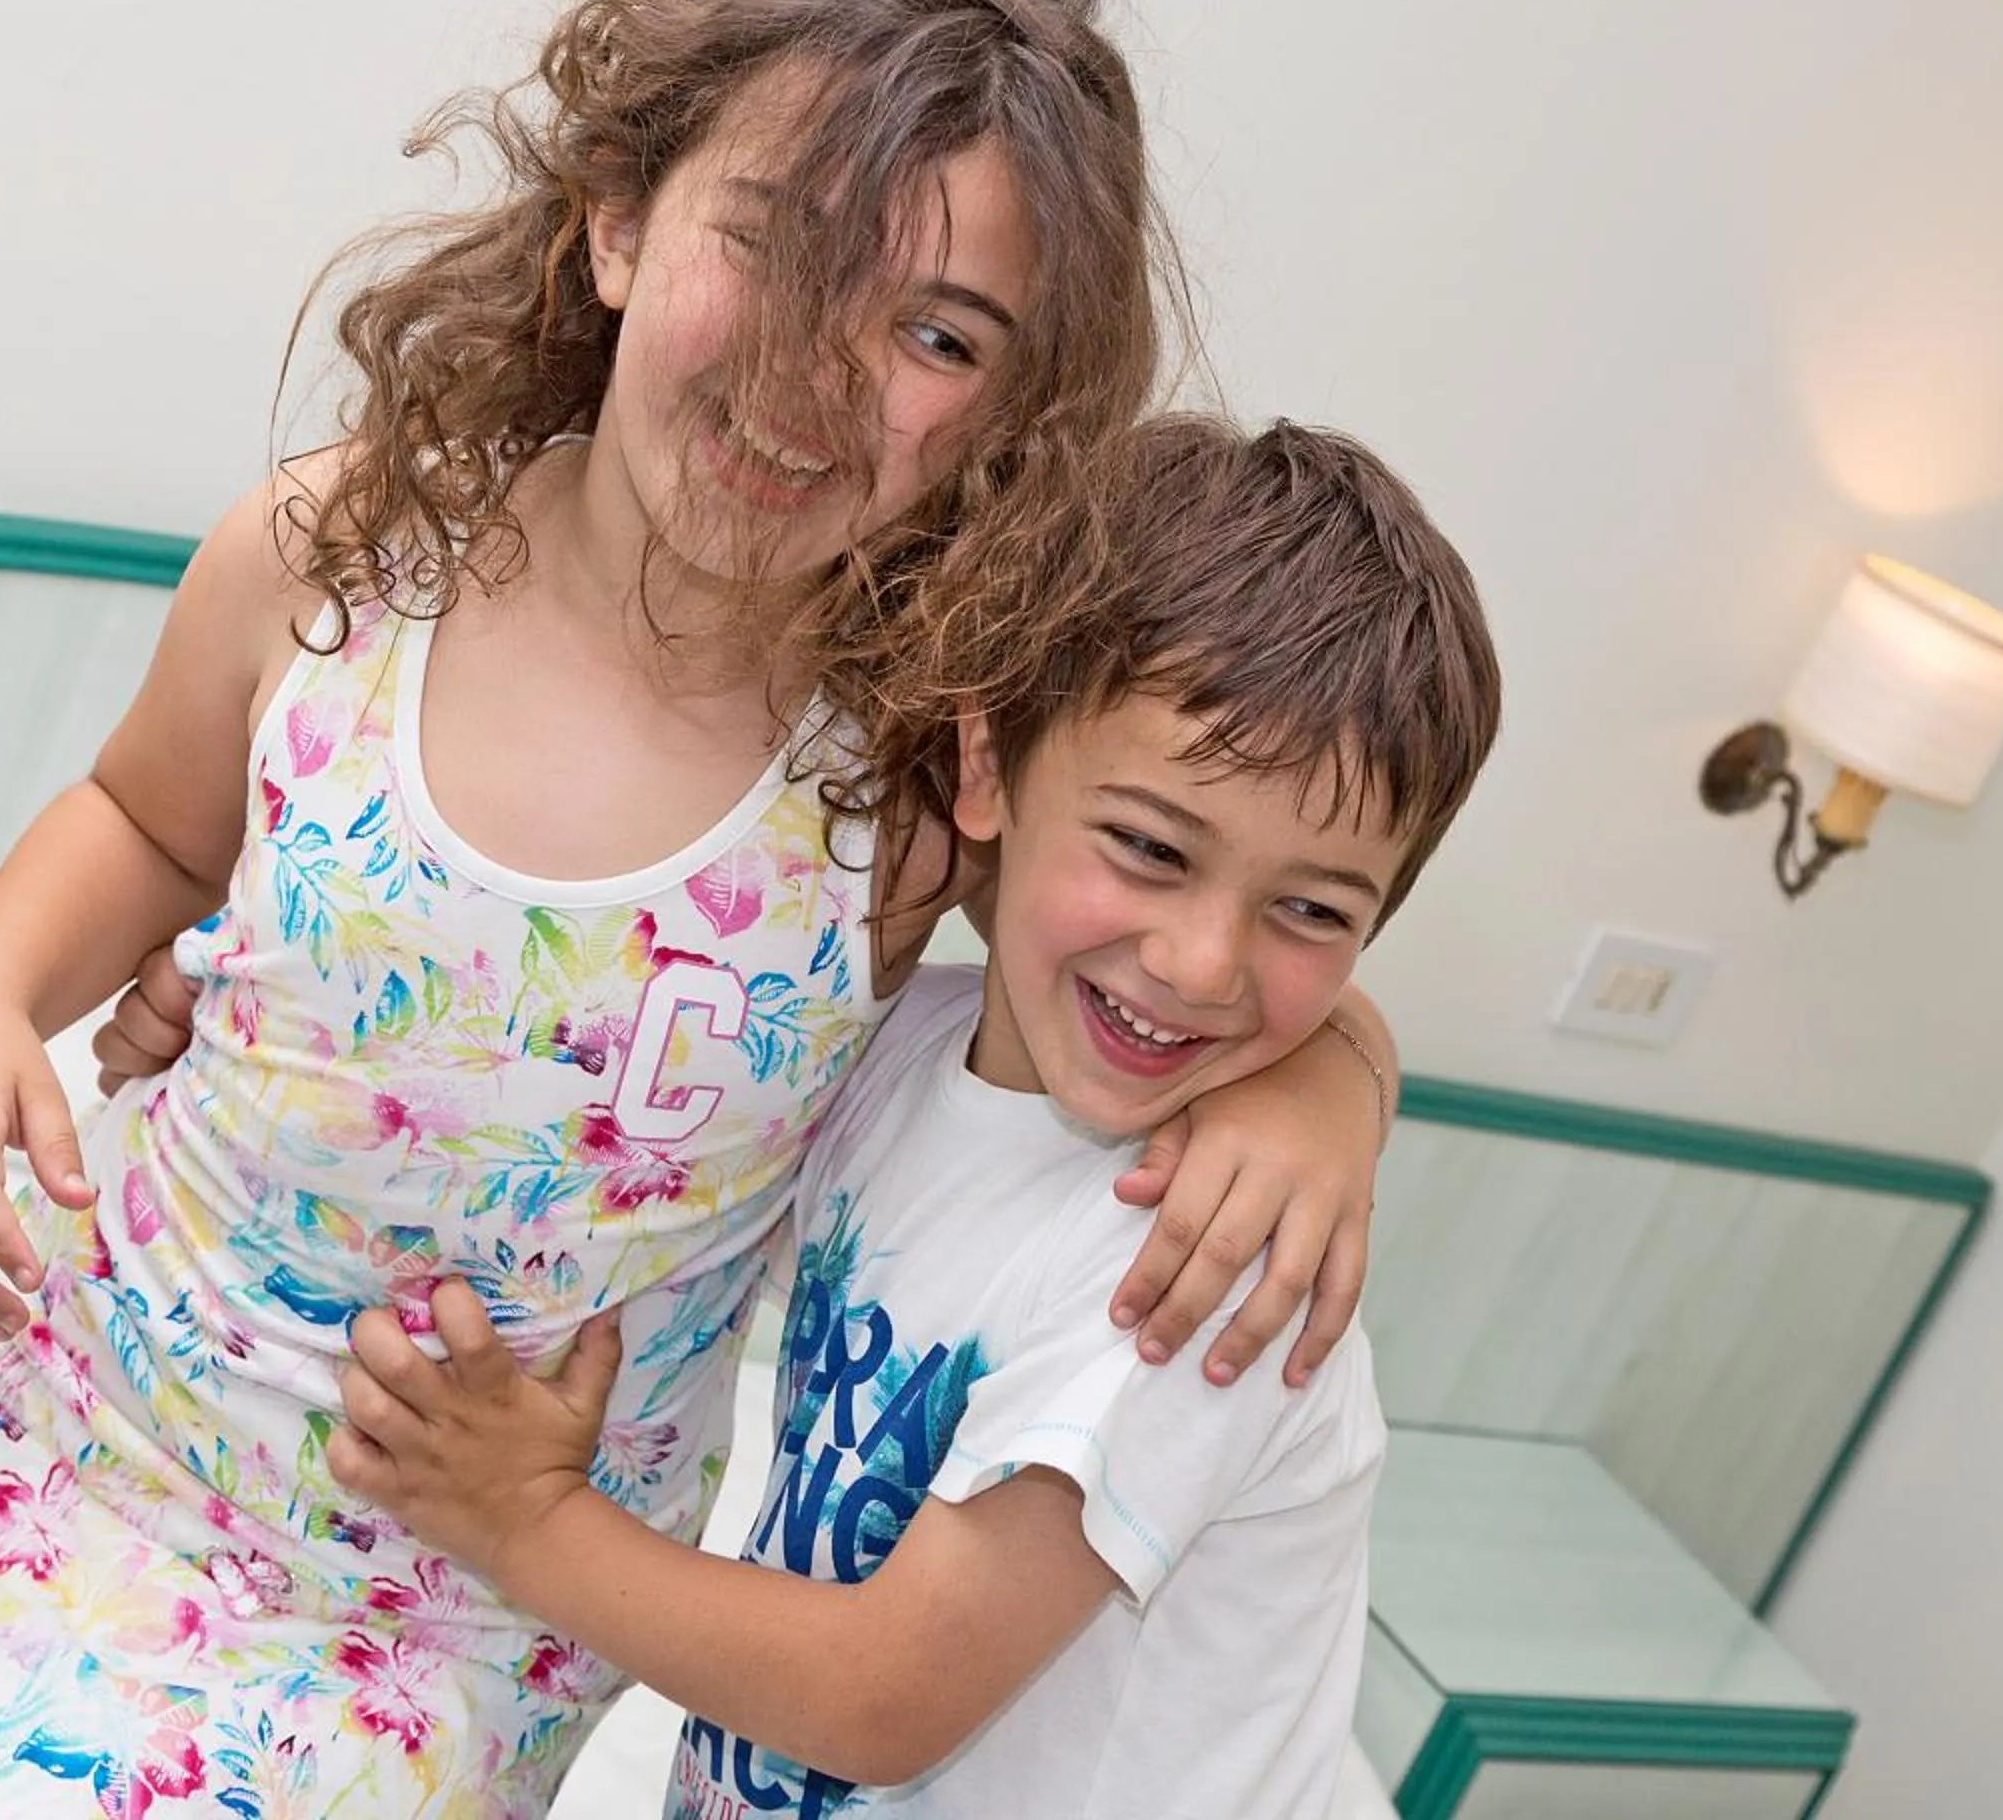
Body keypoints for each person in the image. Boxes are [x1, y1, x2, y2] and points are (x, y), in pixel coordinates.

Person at [0, 0, 1399, 1820]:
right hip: (78, 1440)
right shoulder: (339, 563)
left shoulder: (918, 753)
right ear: (618, 218)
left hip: (447, 1616)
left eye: (932, 333)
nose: (826, 378)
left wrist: (1332, 1085)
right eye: (775, 245)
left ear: (1007, 413)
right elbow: (153, 824)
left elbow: (1159, 932)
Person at [331, 416, 1500, 1820]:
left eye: (1310, 911)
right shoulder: (893, 1050)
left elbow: (883, 1700)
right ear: (988, 767)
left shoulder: (1208, 1259)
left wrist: (525, 1518)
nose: (1203, 962)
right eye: (1148, 847)